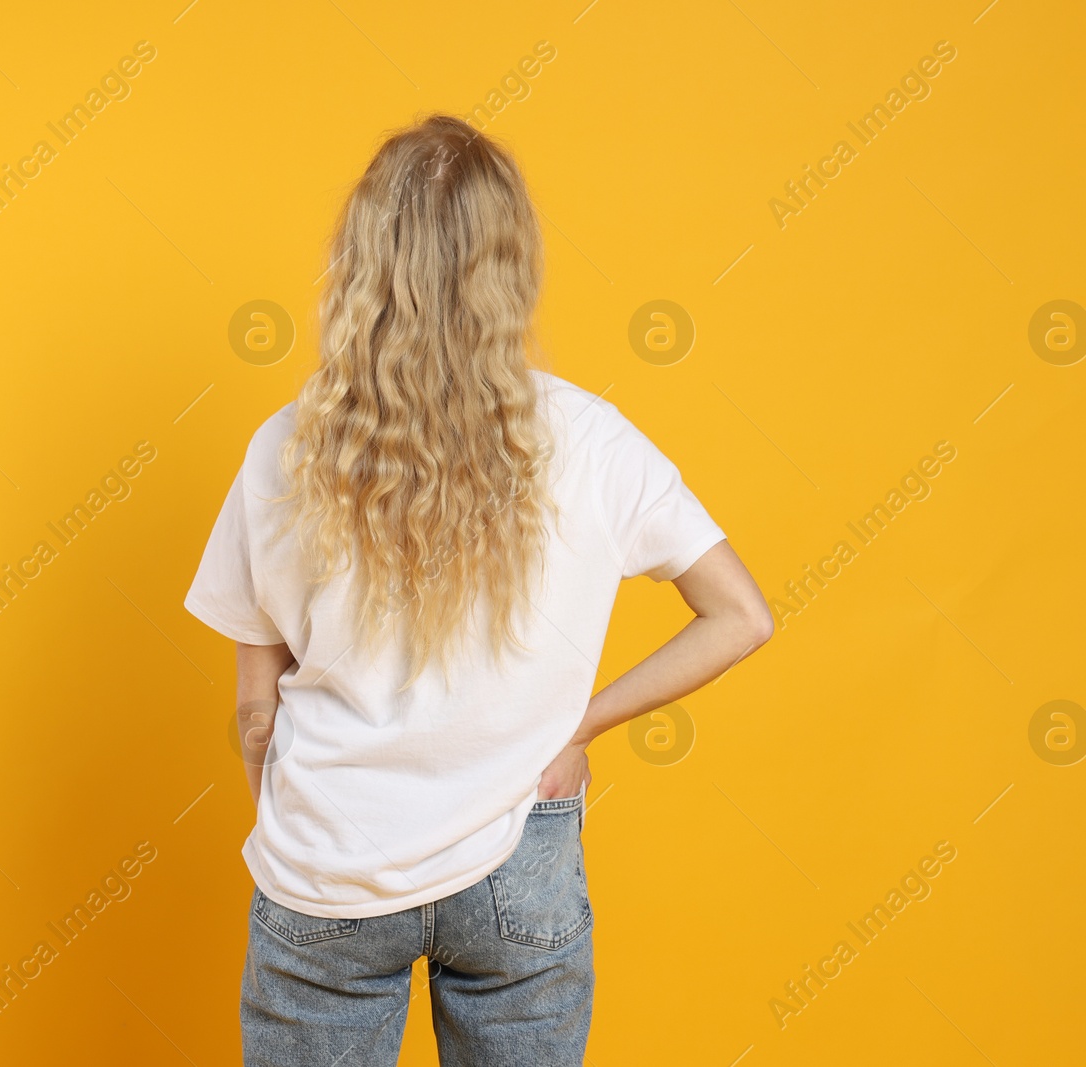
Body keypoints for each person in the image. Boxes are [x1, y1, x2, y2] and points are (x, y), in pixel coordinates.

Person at [183, 112, 775, 1067]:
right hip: (521, 855)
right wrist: (579, 725)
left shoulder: (280, 450)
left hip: (330, 857)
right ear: (511, 269)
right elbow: (742, 616)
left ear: (360, 262)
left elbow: (257, 709)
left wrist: (301, 833)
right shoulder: (591, 439)